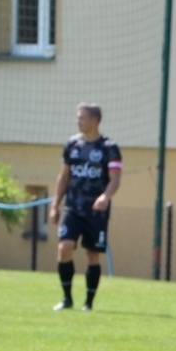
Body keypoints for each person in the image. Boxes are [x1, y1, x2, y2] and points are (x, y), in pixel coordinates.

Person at [49, 103, 122, 311]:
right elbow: (64, 177)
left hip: (96, 211)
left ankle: (88, 303)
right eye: (78, 117)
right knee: (64, 248)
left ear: (94, 121)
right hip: (73, 207)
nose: (78, 121)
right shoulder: (72, 144)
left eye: (82, 117)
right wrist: (55, 204)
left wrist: (105, 197)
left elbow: (115, 179)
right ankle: (67, 298)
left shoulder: (109, 148)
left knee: (92, 254)